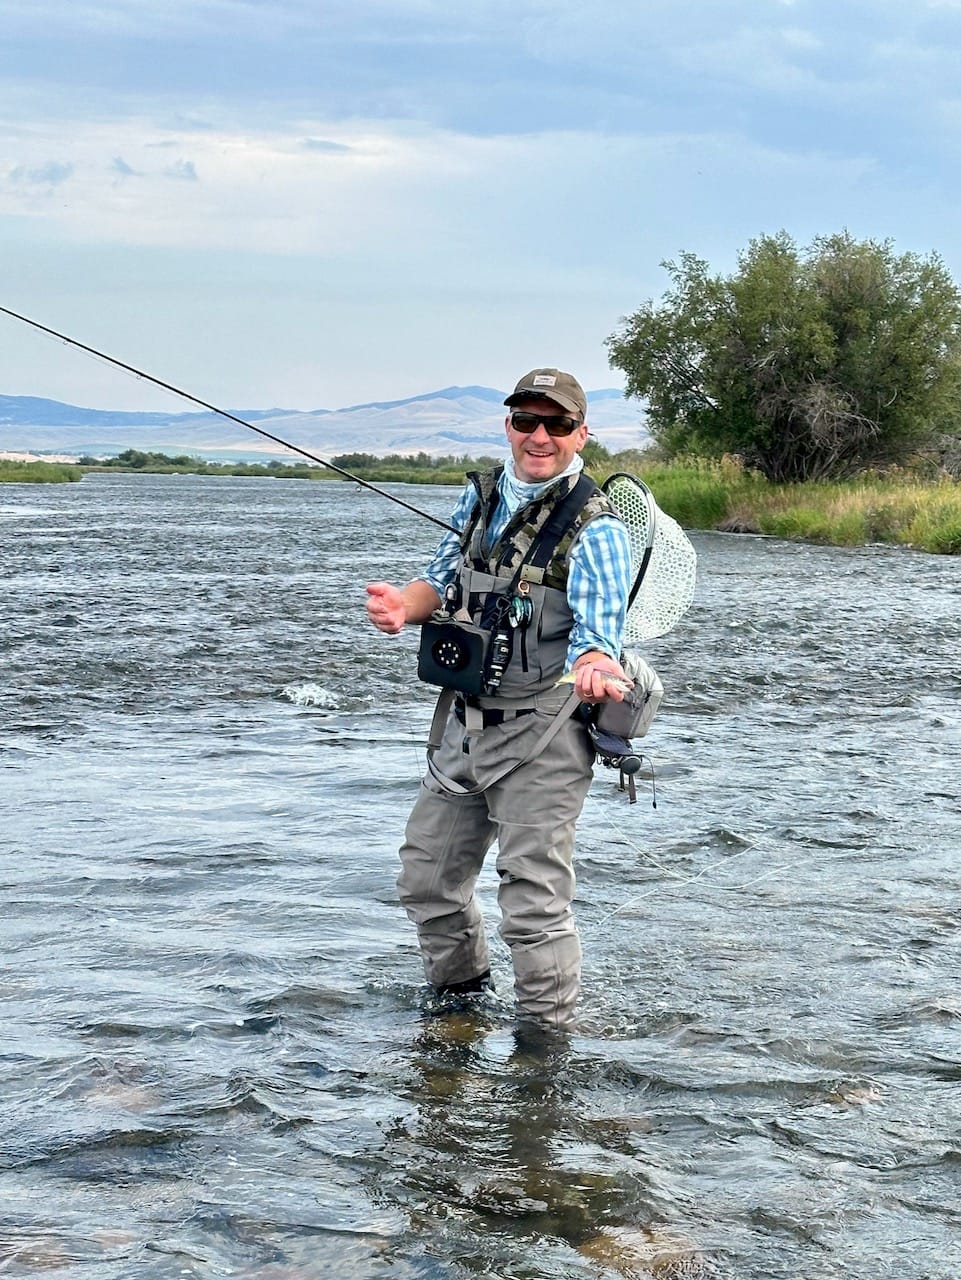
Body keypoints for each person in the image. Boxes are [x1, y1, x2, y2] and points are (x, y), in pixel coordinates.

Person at [366, 367, 634, 1031]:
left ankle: (544, 1053)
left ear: (581, 434)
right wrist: (405, 606)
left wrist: (597, 665)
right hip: (462, 725)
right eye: (525, 421)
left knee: (533, 908)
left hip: (543, 735)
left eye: (557, 424)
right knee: (426, 883)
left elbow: (598, 636)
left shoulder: (598, 529)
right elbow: (436, 582)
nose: (538, 436)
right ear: (508, 426)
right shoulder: (480, 499)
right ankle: (458, 1014)